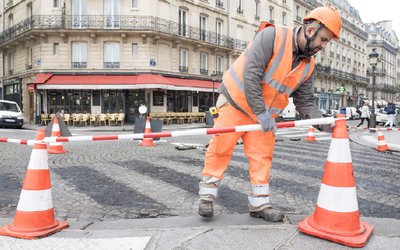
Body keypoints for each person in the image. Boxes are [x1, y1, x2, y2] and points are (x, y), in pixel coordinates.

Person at [198, 6, 341, 222]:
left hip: (263, 116)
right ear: (310, 29)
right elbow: (251, 74)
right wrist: (261, 113)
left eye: (327, 42)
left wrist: (324, 124)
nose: (323, 46)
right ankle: (207, 197)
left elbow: (305, 102)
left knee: (262, 157)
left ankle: (260, 205)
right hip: (235, 102)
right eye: (323, 39)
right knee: (220, 148)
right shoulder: (272, 35)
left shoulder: (308, 65)